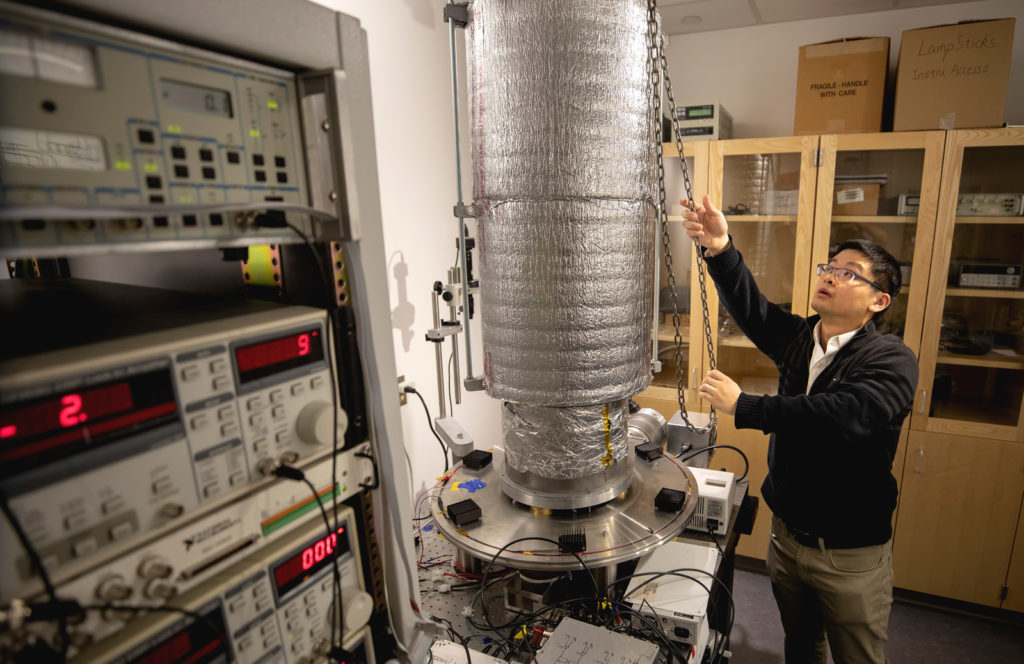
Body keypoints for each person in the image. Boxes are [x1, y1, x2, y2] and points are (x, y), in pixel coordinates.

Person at [681, 195, 918, 664]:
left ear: (879, 301)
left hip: (848, 553)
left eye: (850, 272)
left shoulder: (891, 359)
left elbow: (842, 415)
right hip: (787, 540)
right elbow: (755, 312)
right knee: (802, 646)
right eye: (829, 266)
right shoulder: (803, 338)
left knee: (859, 657)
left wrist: (747, 406)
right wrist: (721, 247)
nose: (831, 275)